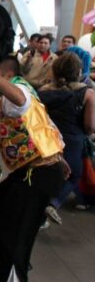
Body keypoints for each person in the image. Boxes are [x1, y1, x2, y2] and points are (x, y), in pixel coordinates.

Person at [0, 51, 66, 282]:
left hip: (36, 172)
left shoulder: (16, 92)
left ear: (4, 74)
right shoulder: (26, 90)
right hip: (39, 168)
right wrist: (59, 155)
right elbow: (44, 125)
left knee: (15, 232)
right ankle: (10, 263)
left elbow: (19, 99)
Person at [39, 53, 95, 225]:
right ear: (79, 71)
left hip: (47, 140)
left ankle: (38, 213)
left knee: (44, 175)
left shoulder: (43, 91)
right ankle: (53, 203)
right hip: (73, 141)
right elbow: (90, 126)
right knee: (73, 175)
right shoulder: (87, 94)